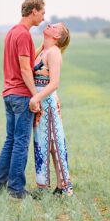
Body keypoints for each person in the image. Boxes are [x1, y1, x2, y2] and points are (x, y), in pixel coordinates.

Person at [0, 0, 44, 200]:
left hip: (9, 93)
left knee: (11, 140)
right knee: (21, 142)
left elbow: (26, 60)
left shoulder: (13, 32)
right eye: (42, 12)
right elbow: (25, 69)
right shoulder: (23, 35)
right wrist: (35, 96)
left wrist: (43, 47)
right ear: (33, 12)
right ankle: (16, 190)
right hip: (21, 95)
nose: (43, 16)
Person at [30, 22, 73, 196]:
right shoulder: (43, 51)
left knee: (55, 142)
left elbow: (54, 83)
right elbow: (27, 66)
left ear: (57, 37)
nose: (49, 24)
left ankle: (65, 186)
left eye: (54, 27)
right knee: (43, 143)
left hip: (47, 104)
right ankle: (48, 186)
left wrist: (36, 98)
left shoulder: (54, 53)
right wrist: (43, 44)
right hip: (40, 104)